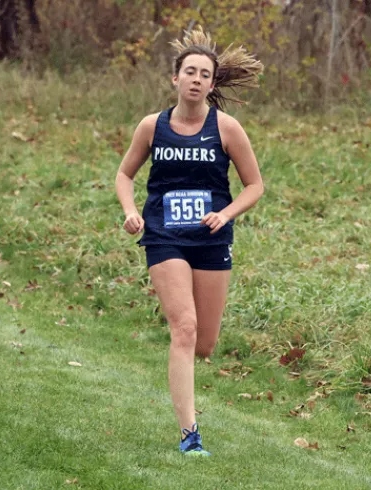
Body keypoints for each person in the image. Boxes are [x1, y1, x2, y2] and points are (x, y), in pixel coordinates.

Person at [115, 27, 264, 456]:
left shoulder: (227, 128)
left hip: (211, 237)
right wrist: (130, 211)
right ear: (175, 79)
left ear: (212, 85)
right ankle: (189, 434)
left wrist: (226, 212)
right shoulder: (152, 126)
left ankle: (187, 393)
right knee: (184, 328)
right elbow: (125, 174)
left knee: (205, 343)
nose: (196, 79)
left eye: (204, 74)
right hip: (164, 238)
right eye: (189, 71)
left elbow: (255, 186)